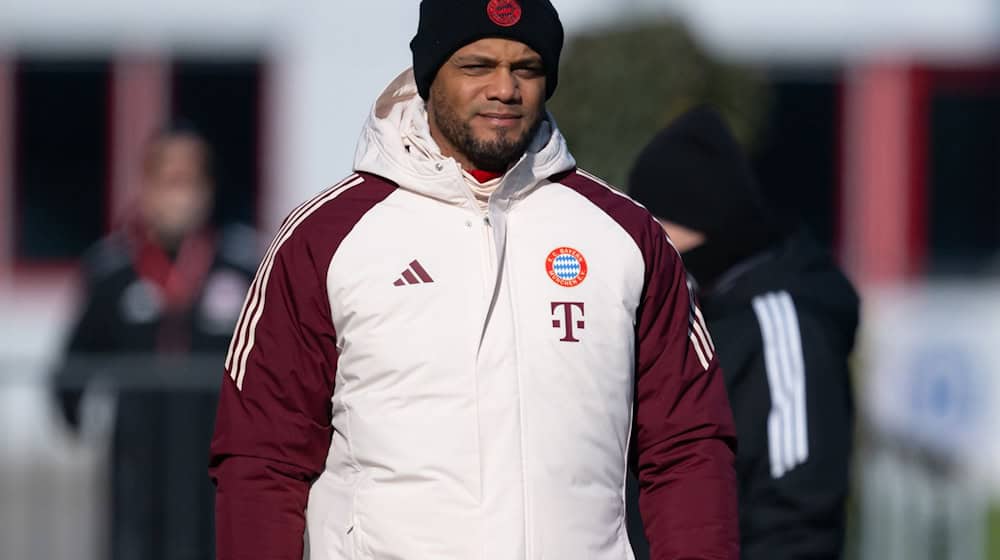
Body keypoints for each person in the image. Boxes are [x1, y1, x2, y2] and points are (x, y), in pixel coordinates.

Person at [209, 1, 739, 559]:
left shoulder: (626, 236)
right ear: (430, 73)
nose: (504, 89)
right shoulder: (327, 236)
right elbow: (262, 456)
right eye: (477, 65)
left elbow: (688, 445)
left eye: (526, 69)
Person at [626, 106, 859, 559]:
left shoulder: (783, 321)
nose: (649, 247)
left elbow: (797, 510)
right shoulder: (690, 307)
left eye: (661, 229)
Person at [55, 122, 257, 560]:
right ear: (146, 185)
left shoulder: (245, 266)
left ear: (208, 186)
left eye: (190, 179)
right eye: (168, 179)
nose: (179, 193)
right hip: (137, 469)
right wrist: (74, 414)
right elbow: (73, 364)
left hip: (219, 471)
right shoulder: (111, 272)